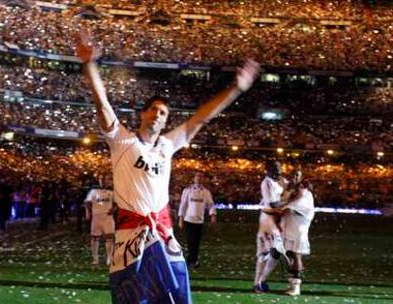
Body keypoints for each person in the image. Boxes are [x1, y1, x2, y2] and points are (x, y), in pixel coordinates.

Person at [76, 31, 260, 304]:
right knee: (131, 299)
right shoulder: (122, 140)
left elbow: (201, 118)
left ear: (165, 121)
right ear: (142, 113)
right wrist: (89, 64)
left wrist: (237, 88)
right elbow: (102, 104)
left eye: (163, 113)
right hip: (130, 236)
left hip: (163, 236)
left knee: (174, 298)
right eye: (154, 109)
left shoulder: (167, 144)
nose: (158, 115)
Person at [253, 159, 287, 293]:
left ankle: (261, 281)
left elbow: (289, 191)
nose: (279, 169)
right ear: (269, 169)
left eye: (280, 166)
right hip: (268, 219)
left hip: (276, 219)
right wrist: (289, 202)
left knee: (276, 250)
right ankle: (258, 283)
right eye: (276, 167)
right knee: (265, 251)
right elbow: (273, 203)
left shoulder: (278, 181)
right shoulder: (266, 183)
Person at [280, 179, 315, 296]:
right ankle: (292, 284)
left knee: (296, 256)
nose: (298, 188)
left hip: (298, 232)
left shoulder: (304, 199)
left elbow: (282, 206)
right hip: (292, 231)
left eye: (301, 186)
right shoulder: (302, 197)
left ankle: (296, 286)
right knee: (291, 255)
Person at [178, 172, 216, 269]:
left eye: (201, 177)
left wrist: (212, 214)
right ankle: (192, 260)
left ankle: (193, 260)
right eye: (197, 176)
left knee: (196, 242)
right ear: (194, 178)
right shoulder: (187, 191)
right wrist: (181, 218)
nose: (199, 178)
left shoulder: (205, 192)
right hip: (188, 219)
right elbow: (183, 204)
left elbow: (210, 204)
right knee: (190, 241)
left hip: (199, 220)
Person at [84, 174, 116, 266]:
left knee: (109, 238)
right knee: (95, 238)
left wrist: (113, 210)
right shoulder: (93, 192)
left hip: (107, 218)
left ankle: (109, 259)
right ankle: (95, 259)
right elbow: (87, 202)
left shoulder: (112, 193)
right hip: (96, 217)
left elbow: (117, 204)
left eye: (106, 179)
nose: (104, 181)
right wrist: (88, 214)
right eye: (101, 179)